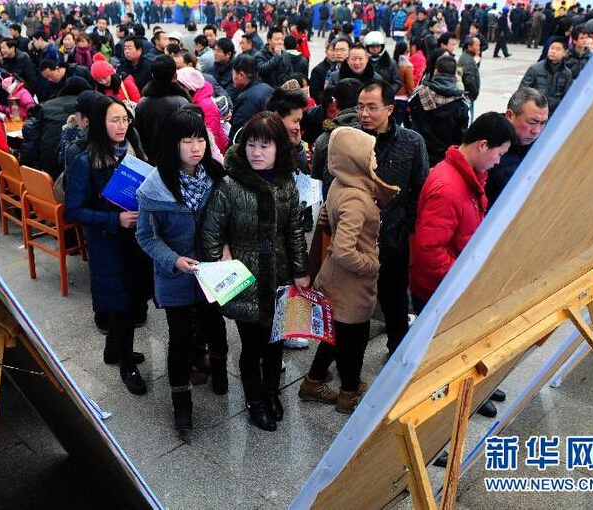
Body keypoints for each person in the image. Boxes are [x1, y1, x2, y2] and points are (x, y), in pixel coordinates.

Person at [201, 112, 309, 431]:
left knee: (275, 341)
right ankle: (255, 401)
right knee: (251, 346)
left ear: (279, 148)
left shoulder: (286, 183)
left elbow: (294, 230)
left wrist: (300, 270)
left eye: (265, 146)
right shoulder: (229, 184)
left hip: (279, 274)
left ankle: (272, 392)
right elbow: (211, 232)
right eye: (251, 144)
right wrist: (221, 259)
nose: (256, 152)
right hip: (245, 277)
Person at [135, 106, 229, 442]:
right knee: (178, 340)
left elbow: (227, 220)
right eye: (187, 141)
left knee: (216, 325)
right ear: (172, 143)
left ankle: (220, 375)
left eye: (200, 139)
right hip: (175, 276)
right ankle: (182, 408)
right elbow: (146, 237)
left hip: (212, 272)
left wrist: (226, 247)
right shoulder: (154, 187)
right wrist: (174, 260)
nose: (195, 147)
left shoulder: (215, 176)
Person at [298, 126, 399, 413]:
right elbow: (343, 250)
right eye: (370, 153)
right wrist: (370, 264)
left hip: (335, 279)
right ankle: (348, 394)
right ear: (355, 158)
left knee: (336, 334)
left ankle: (313, 381)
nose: (375, 158)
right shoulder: (356, 198)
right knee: (355, 339)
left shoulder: (339, 184)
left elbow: (325, 218)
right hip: (351, 283)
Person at [64, 95, 151, 396]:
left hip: (136, 240)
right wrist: (115, 219)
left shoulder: (134, 150)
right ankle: (127, 365)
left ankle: (113, 350)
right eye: (115, 120)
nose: (122, 126)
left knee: (131, 298)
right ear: (100, 123)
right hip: (107, 243)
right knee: (121, 302)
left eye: (125, 119)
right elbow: (73, 210)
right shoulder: (85, 160)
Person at [410, 112, 517, 314]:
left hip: (448, 288)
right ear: (483, 145)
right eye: (499, 154)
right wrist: (464, 278)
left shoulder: (469, 176)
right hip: (439, 294)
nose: (498, 162)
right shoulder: (448, 189)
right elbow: (429, 251)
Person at [356, 81, 429, 355]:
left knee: (395, 299)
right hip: (357, 236)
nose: (364, 114)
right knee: (352, 303)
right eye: (360, 107)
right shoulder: (350, 140)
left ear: (389, 109)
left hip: (394, 237)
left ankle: (398, 351)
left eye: (372, 107)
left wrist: (406, 226)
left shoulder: (411, 142)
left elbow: (420, 188)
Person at [485, 88, 549, 209]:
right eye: (532, 122)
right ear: (510, 115)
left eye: (542, 123)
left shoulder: (544, 146)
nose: (536, 131)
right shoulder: (486, 145)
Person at [409, 55, 470, 166]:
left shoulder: (420, 94)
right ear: (454, 74)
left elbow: (411, 120)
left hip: (419, 155)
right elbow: (462, 137)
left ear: (436, 71)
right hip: (446, 161)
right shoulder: (462, 103)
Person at [311, 78, 363, 198]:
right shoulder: (373, 131)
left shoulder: (323, 140)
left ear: (335, 102)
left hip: (334, 200)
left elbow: (316, 181)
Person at [134, 55, 191, 163]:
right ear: (175, 75)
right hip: (177, 161)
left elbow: (139, 136)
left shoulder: (142, 103)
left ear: (152, 75)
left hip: (149, 161)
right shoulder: (182, 103)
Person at [176, 67, 227, 156]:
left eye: (178, 85)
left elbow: (212, 136)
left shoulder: (205, 105)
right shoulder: (195, 100)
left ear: (187, 87)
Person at [519, 38, 573, 115]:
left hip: (555, 113)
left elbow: (568, 96)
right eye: (551, 48)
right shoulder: (535, 69)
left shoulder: (567, 73)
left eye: (557, 49)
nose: (553, 51)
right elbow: (522, 91)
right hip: (535, 111)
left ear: (565, 53)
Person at [230, 54, 274, 138]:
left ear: (241, 75)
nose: (232, 76)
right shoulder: (269, 88)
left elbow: (237, 133)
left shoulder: (248, 99)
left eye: (233, 73)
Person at [457, 36, 482, 118]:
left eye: (479, 45)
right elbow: (469, 81)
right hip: (468, 97)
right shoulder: (468, 61)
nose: (479, 47)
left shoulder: (467, 57)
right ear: (470, 46)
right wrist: (474, 94)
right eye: (476, 45)